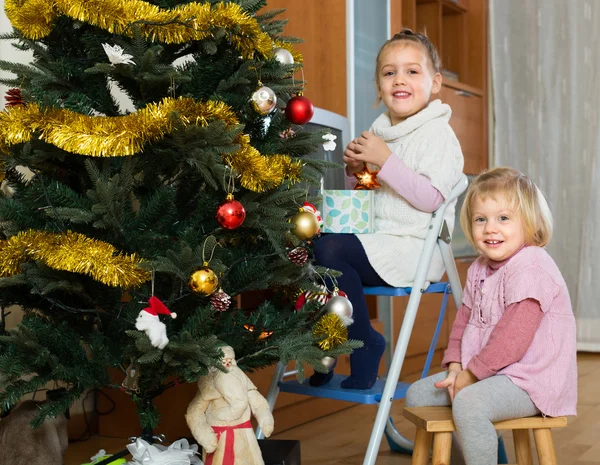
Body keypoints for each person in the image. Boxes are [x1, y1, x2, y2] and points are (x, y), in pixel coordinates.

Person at [309, 28, 464, 389]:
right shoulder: (377, 133)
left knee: (330, 248)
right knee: (312, 246)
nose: (400, 80)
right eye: (389, 72)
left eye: (412, 71)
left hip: (415, 246)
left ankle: (363, 344)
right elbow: (367, 198)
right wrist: (355, 173)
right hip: (375, 239)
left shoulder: (437, 134)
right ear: (379, 87)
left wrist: (385, 160)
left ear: (435, 83)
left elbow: (430, 199)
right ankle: (326, 344)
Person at [406, 167, 577, 465]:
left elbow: (513, 340)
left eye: (503, 218)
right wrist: (456, 367)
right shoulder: (479, 269)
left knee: (470, 403)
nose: (490, 229)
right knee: (417, 395)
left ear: (529, 223)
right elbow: (463, 323)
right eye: (480, 219)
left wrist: (470, 377)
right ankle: (477, 457)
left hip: (530, 381)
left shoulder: (532, 267)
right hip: (489, 374)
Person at [186, 345, 274, 465]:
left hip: (244, 436)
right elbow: (194, 413)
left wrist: (265, 419)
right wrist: (205, 436)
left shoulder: (242, 382)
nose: (227, 364)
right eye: (223, 361)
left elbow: (259, 404)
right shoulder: (207, 391)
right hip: (218, 438)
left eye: (230, 361)